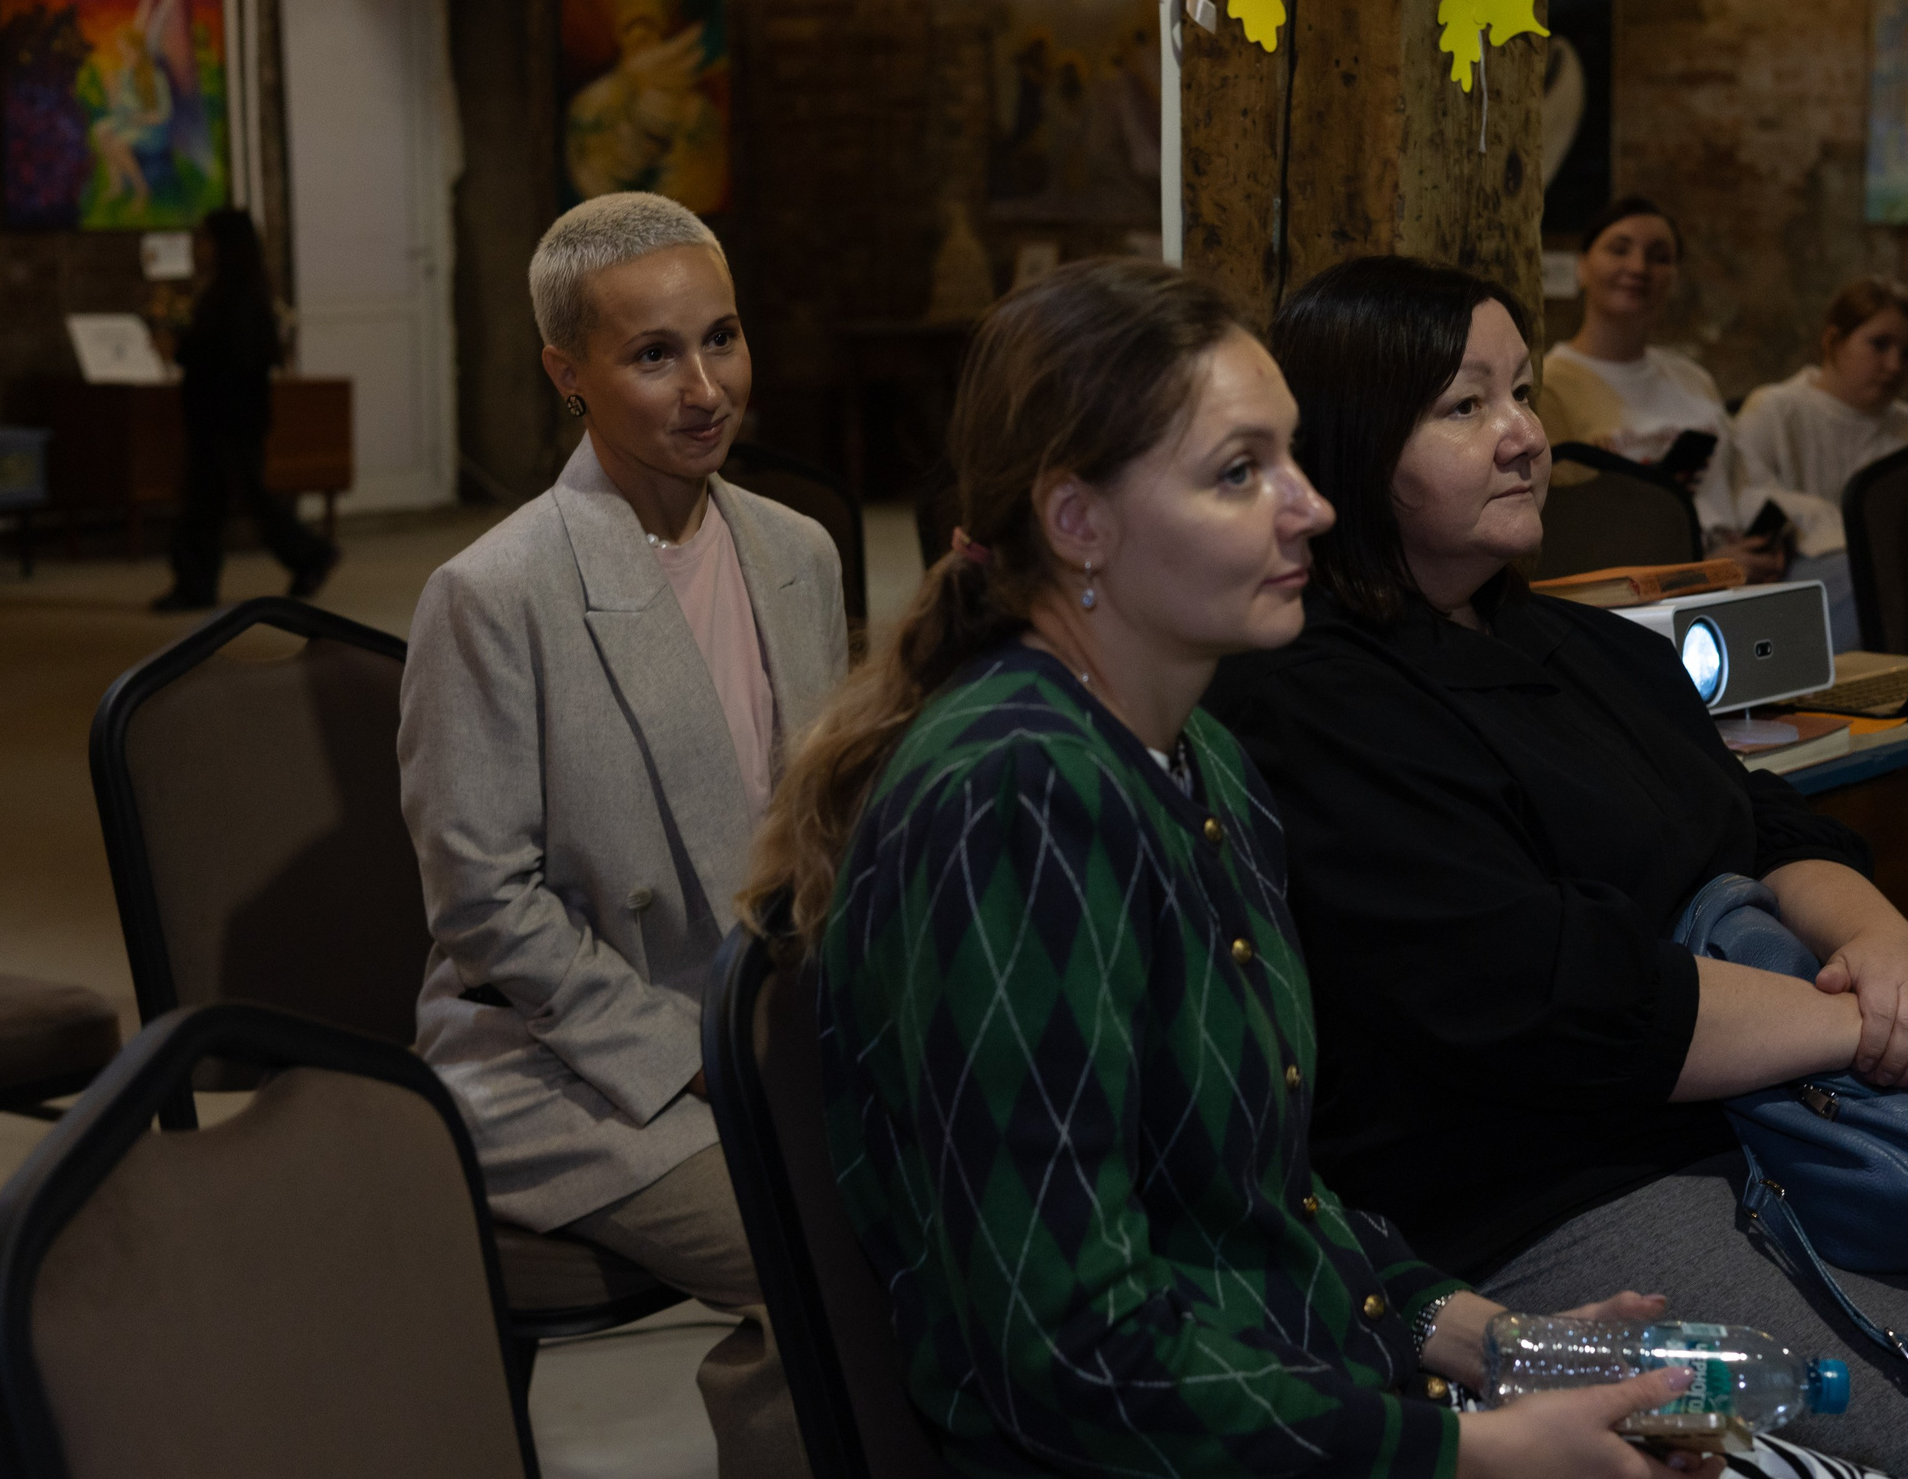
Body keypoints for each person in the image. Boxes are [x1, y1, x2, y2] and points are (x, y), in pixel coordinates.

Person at [1206, 254, 1908, 1479]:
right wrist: (1875, 1033)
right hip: (1558, 1184)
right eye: (1464, 408)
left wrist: (1888, 955)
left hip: (1777, 1112)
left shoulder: (1590, 647)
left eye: (1523, 393)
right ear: (1357, 444)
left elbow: (1768, 824)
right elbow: (1562, 994)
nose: (1525, 436)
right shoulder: (1312, 701)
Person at [747, 258, 1731, 1479]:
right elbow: (1074, 1355)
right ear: (1077, 523)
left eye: (1293, 457)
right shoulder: (1018, 796)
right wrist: (1473, 1453)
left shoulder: (1196, 752)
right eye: (1237, 472)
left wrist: (1508, 1347)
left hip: (1287, 1406)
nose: (1309, 506)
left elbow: (1256, 1207)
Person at [399, 193, 845, 1477]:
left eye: (723, 339)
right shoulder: (495, 594)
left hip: (765, 1032)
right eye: (654, 355)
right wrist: (698, 1052)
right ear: (567, 373)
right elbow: (485, 904)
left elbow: (813, 830)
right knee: (829, 1250)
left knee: (986, 1193)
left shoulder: (799, 553)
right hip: (570, 1067)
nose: (706, 388)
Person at [1537, 198, 1856, 649]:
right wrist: (1702, 563)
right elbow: (1577, 538)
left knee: (1856, 570)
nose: (1639, 266)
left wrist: (1768, 539)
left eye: (1659, 256)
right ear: (1582, 267)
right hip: (1652, 593)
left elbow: (1739, 483)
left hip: (1740, 568)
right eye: (1619, 249)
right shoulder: (1553, 385)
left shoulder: (1691, 378)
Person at [151, 207, 339, 613]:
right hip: (223, 414)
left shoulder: (237, 296)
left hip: (228, 417)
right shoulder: (229, 290)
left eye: (204, 239)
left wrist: (182, 350)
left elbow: (230, 358)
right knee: (215, 500)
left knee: (223, 499)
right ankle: (202, 581)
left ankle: (307, 555)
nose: (197, 248)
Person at [1734, 278, 1908, 507]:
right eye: (1879, 344)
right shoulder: (1774, 412)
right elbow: (1748, 500)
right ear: (1833, 341)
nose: (1895, 365)